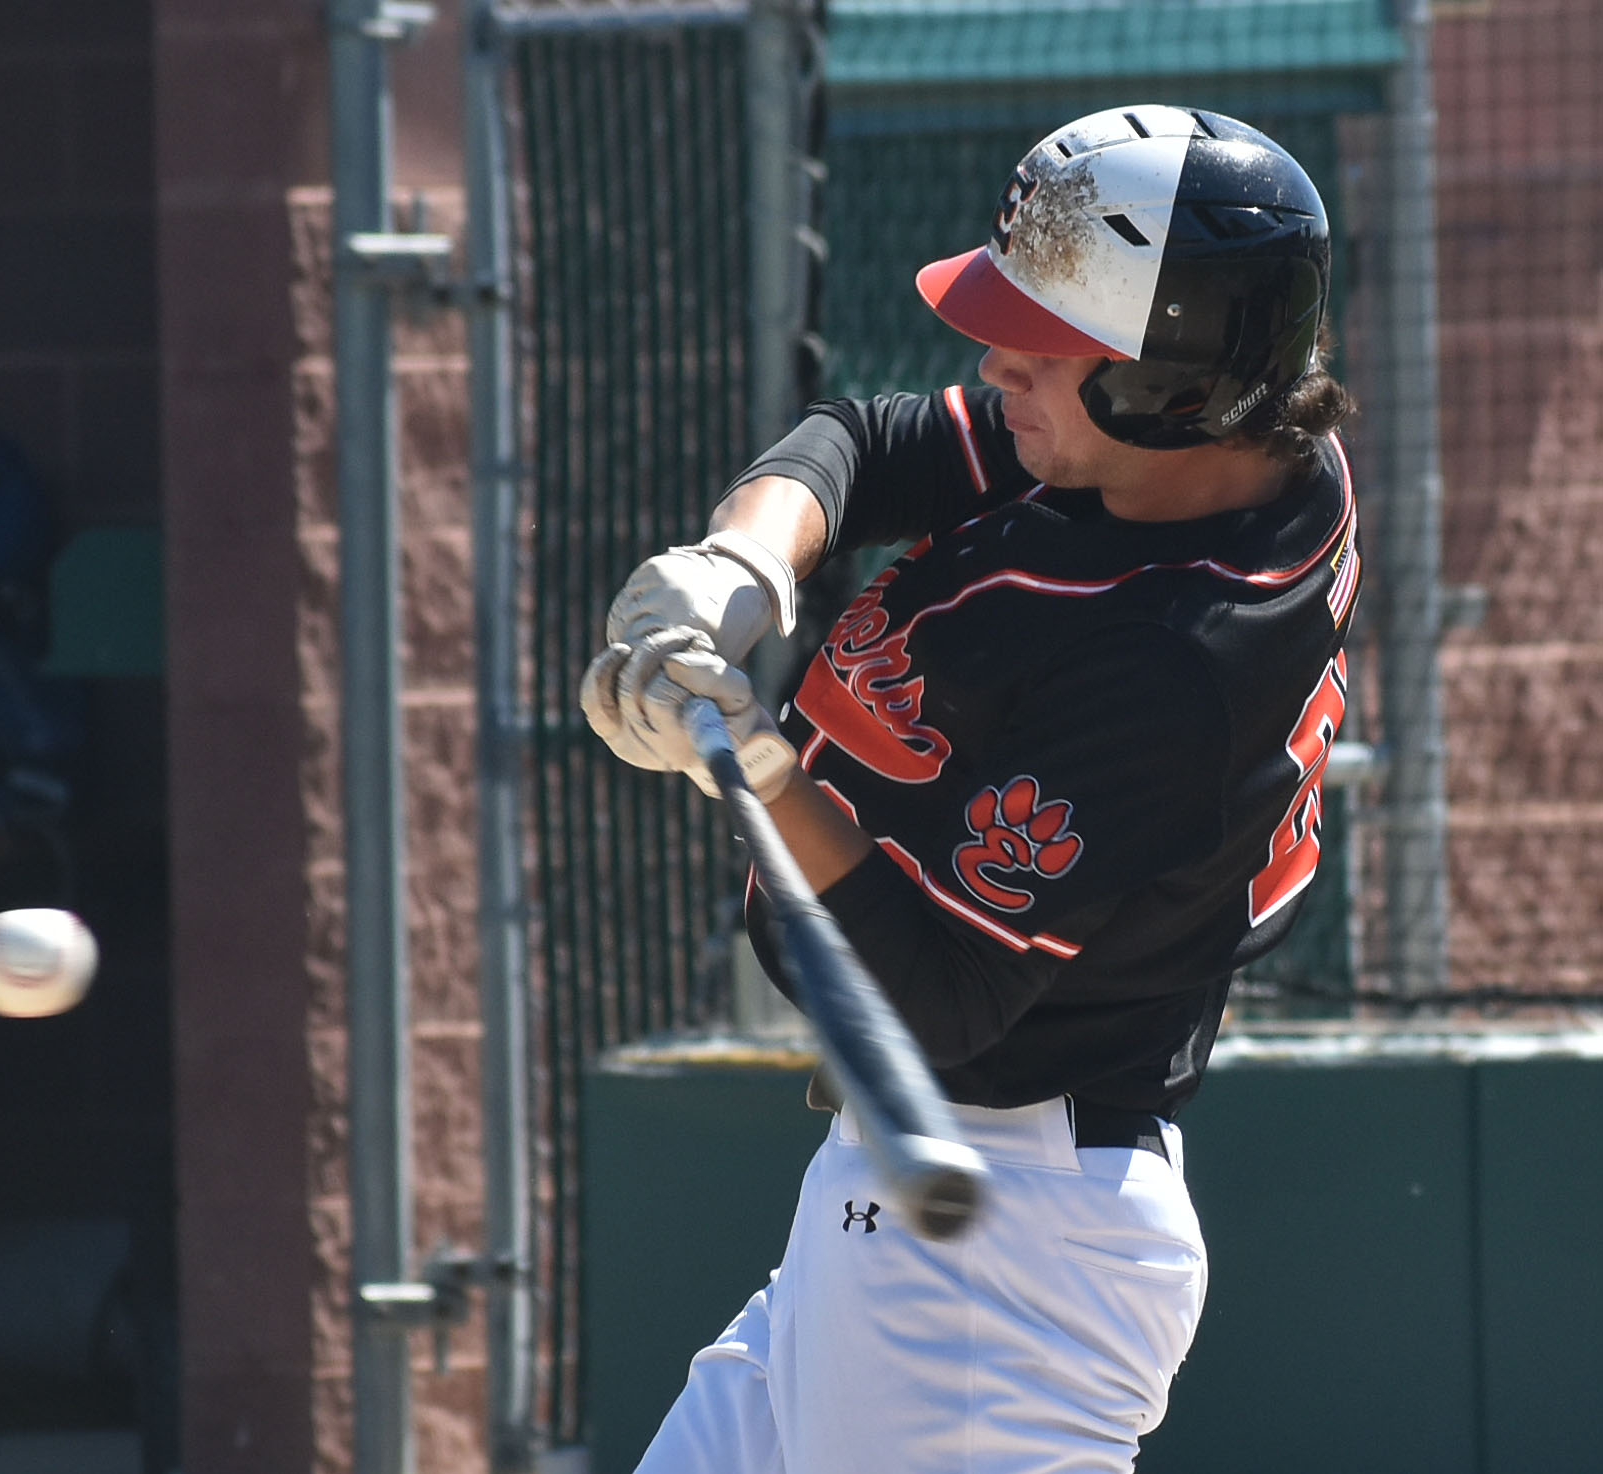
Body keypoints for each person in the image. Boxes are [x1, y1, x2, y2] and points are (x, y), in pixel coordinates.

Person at [579, 104, 1360, 1473]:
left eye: (1043, 345)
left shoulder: (1177, 664)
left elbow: (935, 999)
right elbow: (870, 441)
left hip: (995, 1241)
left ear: (1171, 379)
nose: (993, 356)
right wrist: (741, 566)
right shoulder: (1182, 457)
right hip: (921, 1206)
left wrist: (751, 763)